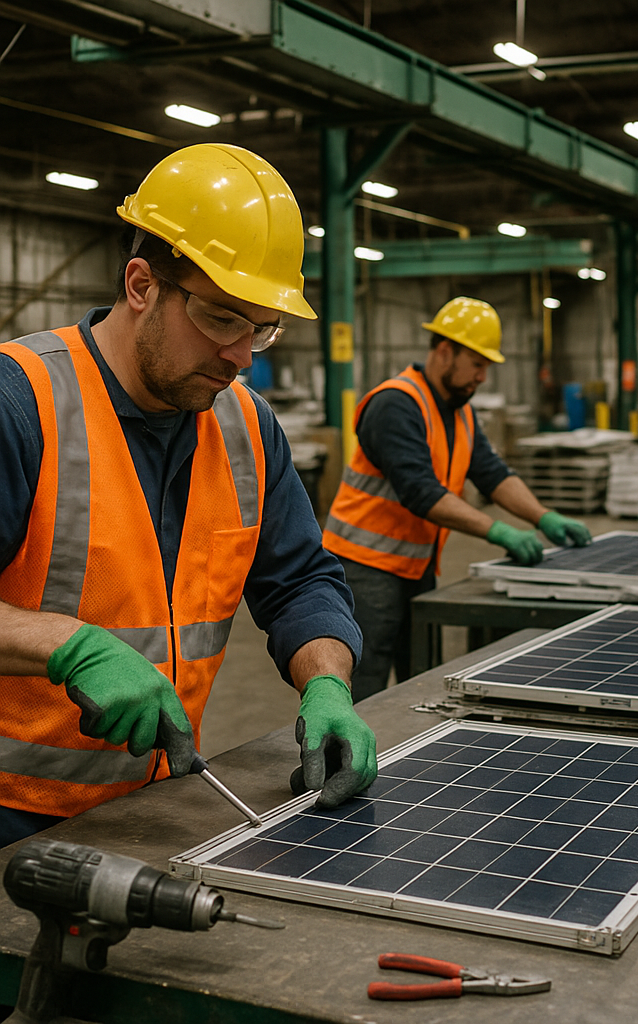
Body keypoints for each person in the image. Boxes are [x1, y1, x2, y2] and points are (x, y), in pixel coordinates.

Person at [0, 143, 377, 849]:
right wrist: (67, 646)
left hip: (158, 808)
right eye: (223, 318)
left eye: (261, 326)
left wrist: (328, 684)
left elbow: (300, 582)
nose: (242, 354)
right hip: (12, 813)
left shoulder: (246, 427)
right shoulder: (21, 402)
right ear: (141, 285)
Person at [322, 296, 592, 701]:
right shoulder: (395, 404)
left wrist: (543, 517)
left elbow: (492, 473)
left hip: (415, 566)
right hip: (365, 568)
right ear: (445, 353)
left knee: (420, 678)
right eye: (478, 365)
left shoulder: (459, 410)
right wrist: (498, 531)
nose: (483, 378)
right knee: (366, 679)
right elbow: (421, 492)